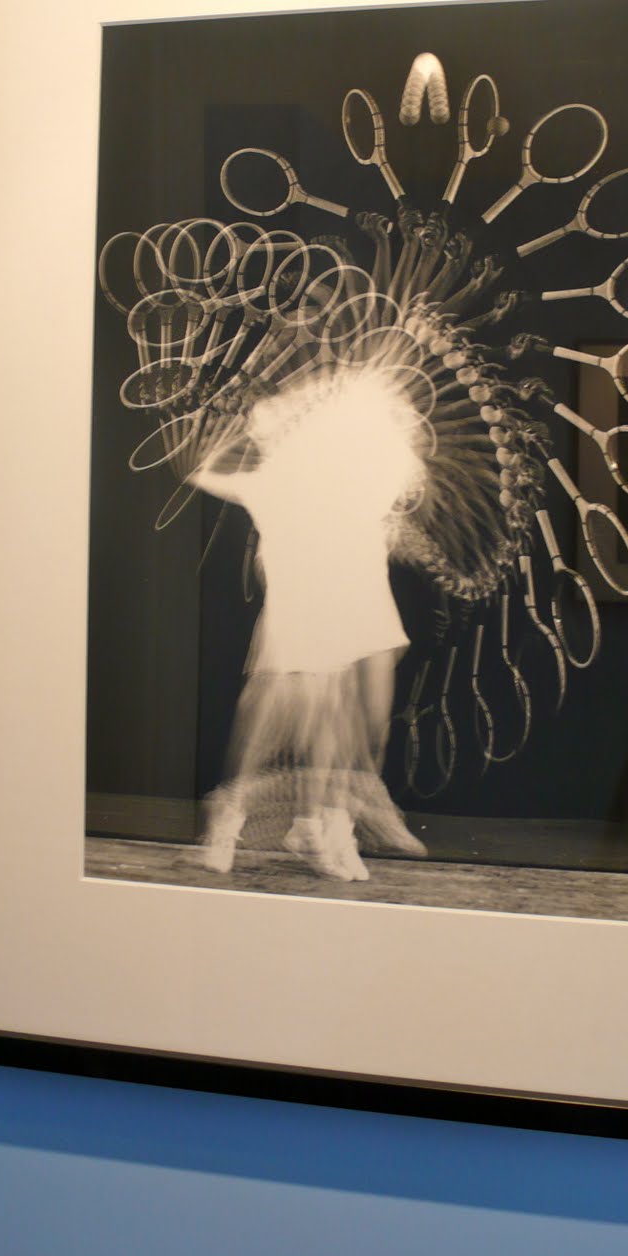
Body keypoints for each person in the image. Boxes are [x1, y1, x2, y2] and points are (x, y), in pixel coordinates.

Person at [191, 368, 428, 881]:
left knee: (363, 724)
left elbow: (398, 475)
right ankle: (255, 829)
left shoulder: (351, 482)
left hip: (358, 608)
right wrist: (228, 435)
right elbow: (203, 472)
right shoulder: (268, 484)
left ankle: (322, 826)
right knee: (286, 724)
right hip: (307, 616)